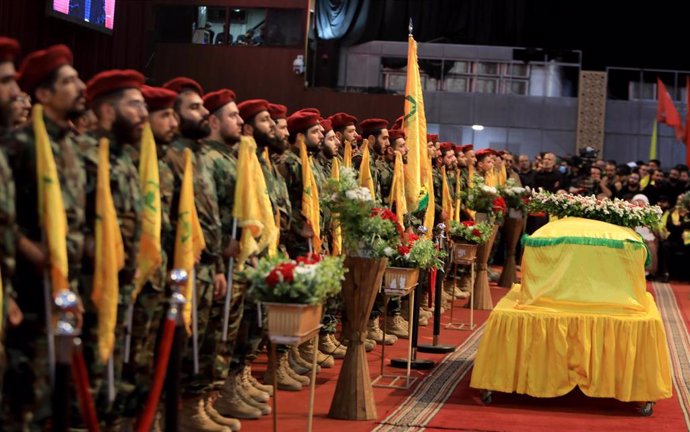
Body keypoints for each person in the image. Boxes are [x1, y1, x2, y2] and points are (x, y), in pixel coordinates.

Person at [5, 44, 87, 431]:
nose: (80, 87)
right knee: (28, 396)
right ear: (43, 94)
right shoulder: (21, 145)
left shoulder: (69, 145)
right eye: (68, 81)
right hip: (26, 286)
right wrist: (32, 251)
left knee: (56, 390)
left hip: (61, 284)